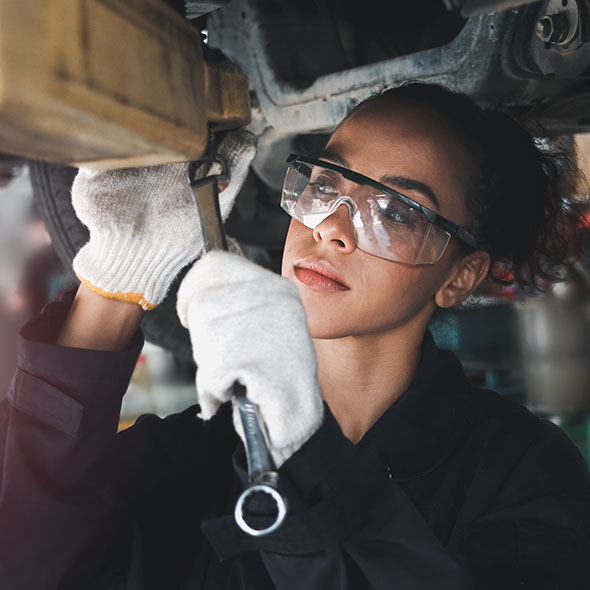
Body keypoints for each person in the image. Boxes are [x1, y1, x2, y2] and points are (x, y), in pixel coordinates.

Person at [1, 83, 589, 589]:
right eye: (327, 182)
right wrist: (118, 280)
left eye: (397, 212)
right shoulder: (194, 453)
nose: (330, 225)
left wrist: (299, 449)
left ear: (459, 277)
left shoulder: (525, 475)